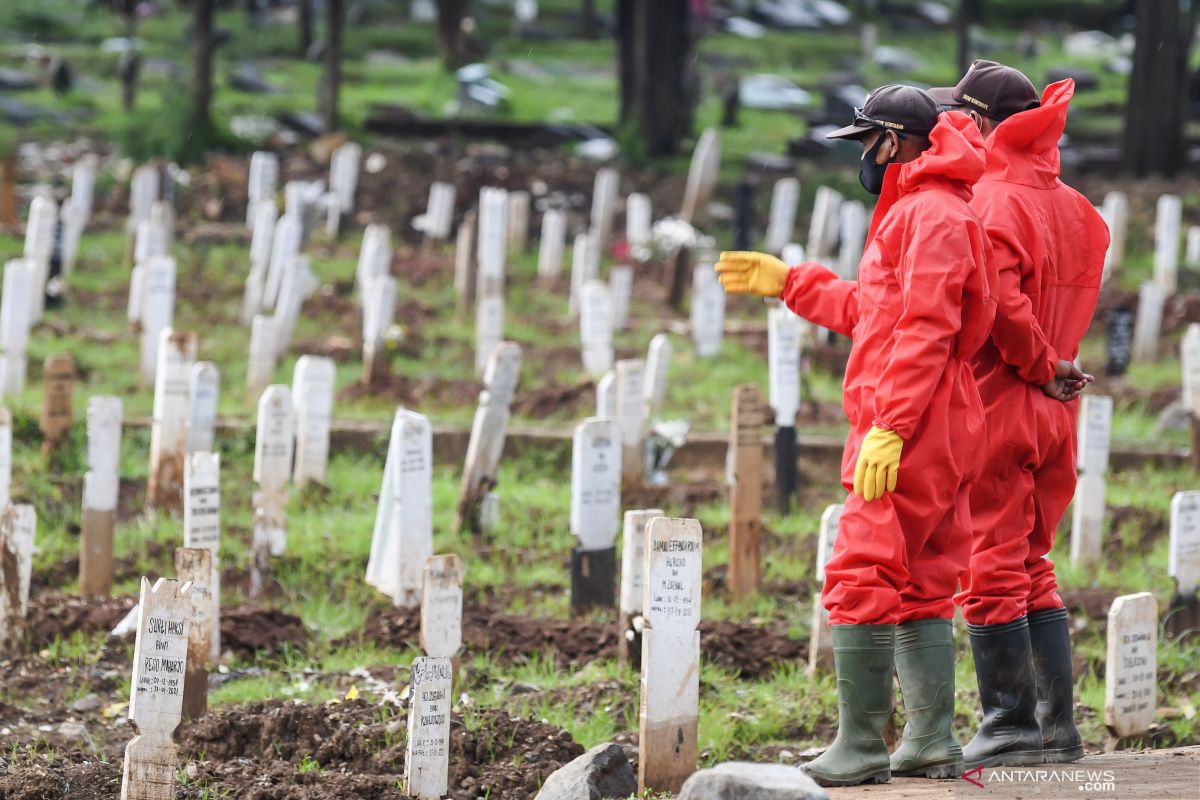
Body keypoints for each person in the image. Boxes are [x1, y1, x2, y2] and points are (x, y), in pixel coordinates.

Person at [715, 85, 996, 787]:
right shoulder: (935, 208)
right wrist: (792, 283)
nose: (863, 155)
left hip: (913, 417)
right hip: (941, 413)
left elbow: (926, 330)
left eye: (868, 141)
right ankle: (930, 741)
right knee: (927, 576)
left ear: (898, 141)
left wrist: (892, 427)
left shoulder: (929, 215)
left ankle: (861, 746)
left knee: (862, 569)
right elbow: (877, 313)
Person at [929, 62, 1108, 769]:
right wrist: (1055, 367)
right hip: (1054, 405)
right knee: (1032, 559)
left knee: (992, 560)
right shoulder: (1078, 208)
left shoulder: (992, 200)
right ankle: (1055, 728)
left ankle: (1008, 725)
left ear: (978, 123)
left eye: (959, 117)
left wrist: (1038, 363)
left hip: (1005, 393)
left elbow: (1004, 309)